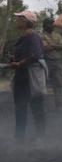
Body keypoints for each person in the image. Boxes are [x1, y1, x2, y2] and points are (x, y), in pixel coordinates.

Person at [10, 11, 47, 141]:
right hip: (22, 77)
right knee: (20, 108)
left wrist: (19, 63)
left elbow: (35, 55)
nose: (17, 20)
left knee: (36, 108)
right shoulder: (24, 37)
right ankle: (19, 139)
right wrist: (14, 60)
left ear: (26, 21)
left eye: (19, 18)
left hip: (30, 78)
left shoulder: (33, 37)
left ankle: (40, 138)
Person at [41, 17, 62, 110]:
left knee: (58, 83)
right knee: (42, 83)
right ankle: (41, 105)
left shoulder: (57, 35)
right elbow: (44, 48)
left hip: (56, 62)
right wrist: (57, 46)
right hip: (45, 62)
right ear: (45, 25)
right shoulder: (40, 35)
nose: (53, 25)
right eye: (50, 24)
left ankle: (59, 105)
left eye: (53, 23)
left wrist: (52, 45)